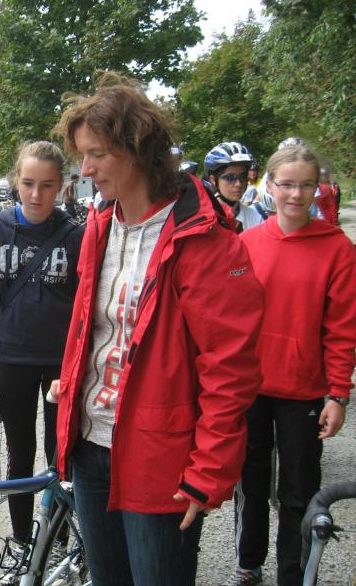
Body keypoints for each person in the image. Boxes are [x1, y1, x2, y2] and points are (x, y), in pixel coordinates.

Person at [48, 72, 264, 586]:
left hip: (159, 460)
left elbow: (230, 370)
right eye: (82, 154)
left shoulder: (204, 238)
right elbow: (91, 330)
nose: (85, 168)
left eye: (97, 154)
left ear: (139, 150)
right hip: (91, 446)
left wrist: (208, 471)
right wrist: (71, 382)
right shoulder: (100, 225)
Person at [228, 145, 356, 586]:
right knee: (250, 482)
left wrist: (338, 393)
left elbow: (342, 329)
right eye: (286, 185)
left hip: (303, 390)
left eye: (306, 185)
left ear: (318, 188)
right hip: (249, 387)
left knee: (298, 490)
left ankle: (295, 574)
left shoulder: (337, 249)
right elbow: (229, 319)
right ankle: (248, 562)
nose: (296, 195)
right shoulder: (246, 243)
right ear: (269, 185)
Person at [0, 141, 84, 547]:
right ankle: (22, 544)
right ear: (16, 181)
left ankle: (57, 544)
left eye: (47, 185)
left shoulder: (75, 236)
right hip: (13, 360)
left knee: (60, 456)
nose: (36, 195)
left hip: (61, 364)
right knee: (19, 455)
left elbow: (85, 306)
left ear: (62, 186)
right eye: (29, 183)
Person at [204, 142, 264, 232]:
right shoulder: (204, 219)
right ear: (213, 180)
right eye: (230, 177)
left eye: (243, 177)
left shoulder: (255, 218)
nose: (238, 184)